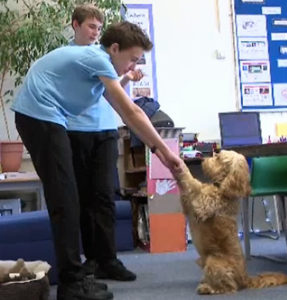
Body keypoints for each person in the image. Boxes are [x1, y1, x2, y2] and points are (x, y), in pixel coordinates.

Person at [11, 20, 184, 300]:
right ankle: (71, 285)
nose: (132, 66)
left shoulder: (97, 65)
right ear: (114, 49)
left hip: (45, 118)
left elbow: (122, 108)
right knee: (65, 201)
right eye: (132, 59)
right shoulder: (97, 58)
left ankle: (78, 277)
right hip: (38, 117)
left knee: (70, 199)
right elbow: (132, 113)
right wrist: (164, 152)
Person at [68, 4, 140, 283]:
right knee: (84, 199)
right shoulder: (68, 56)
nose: (95, 33)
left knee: (105, 196)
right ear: (75, 25)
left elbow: (107, 92)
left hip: (106, 129)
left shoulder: (104, 56)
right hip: (76, 131)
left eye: (99, 28)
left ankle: (109, 260)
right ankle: (92, 259)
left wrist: (126, 77)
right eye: (90, 27)